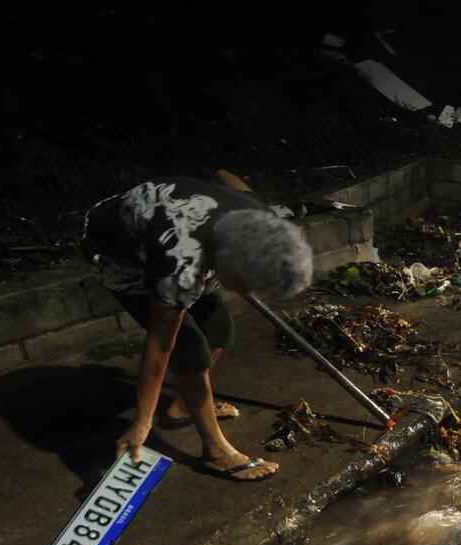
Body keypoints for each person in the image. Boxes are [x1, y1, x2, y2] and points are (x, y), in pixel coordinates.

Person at [82, 176, 313, 481]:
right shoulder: (182, 262)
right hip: (118, 251)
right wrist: (142, 420)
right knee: (189, 350)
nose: (249, 292)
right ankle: (216, 452)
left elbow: (226, 176)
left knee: (219, 330)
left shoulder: (263, 220)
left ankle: (182, 405)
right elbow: (161, 343)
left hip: (183, 232)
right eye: (248, 282)